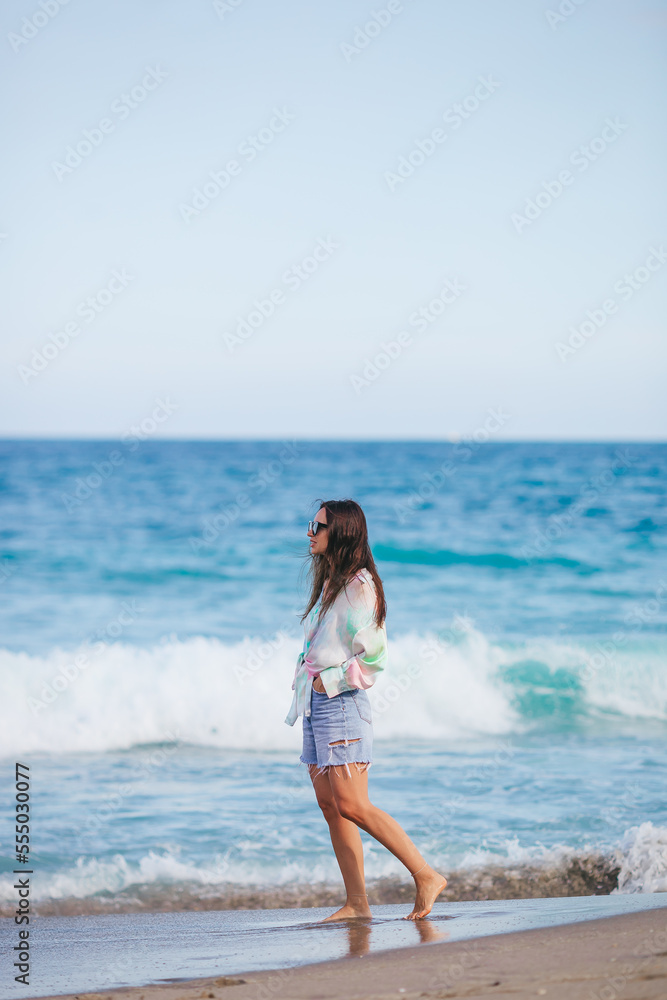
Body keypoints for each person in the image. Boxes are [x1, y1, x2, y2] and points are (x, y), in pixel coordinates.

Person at [285, 498, 448, 921]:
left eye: (317, 526)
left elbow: (373, 659)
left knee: (354, 804)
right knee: (330, 804)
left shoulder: (361, 585)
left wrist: (329, 681)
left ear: (339, 532)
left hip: (342, 706)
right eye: (311, 524)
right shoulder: (332, 583)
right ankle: (357, 904)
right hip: (316, 705)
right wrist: (307, 682)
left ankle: (426, 875)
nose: (310, 532)